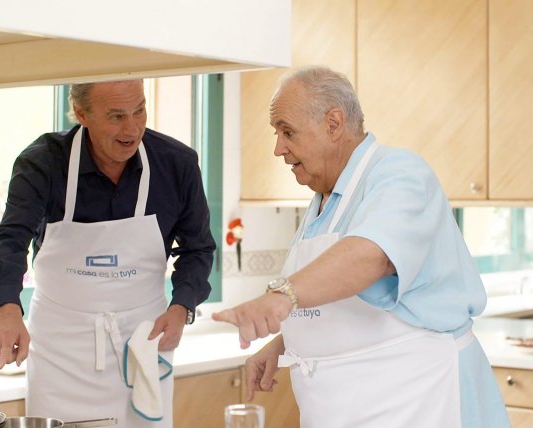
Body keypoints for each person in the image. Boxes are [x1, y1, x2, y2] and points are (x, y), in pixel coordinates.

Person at [212, 66, 510, 428]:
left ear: (334, 124)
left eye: (287, 132)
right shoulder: (325, 199)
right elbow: (342, 305)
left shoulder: (400, 174)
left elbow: (372, 255)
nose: (278, 149)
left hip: (419, 401)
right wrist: (286, 343)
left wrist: (280, 297)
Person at [0, 80, 215, 427]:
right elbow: (9, 238)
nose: (132, 129)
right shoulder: (44, 163)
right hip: (61, 352)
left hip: (143, 344)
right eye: (117, 116)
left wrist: (181, 307)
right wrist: (6, 312)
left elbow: (198, 248)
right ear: (81, 114)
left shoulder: (176, 164)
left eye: (139, 111)